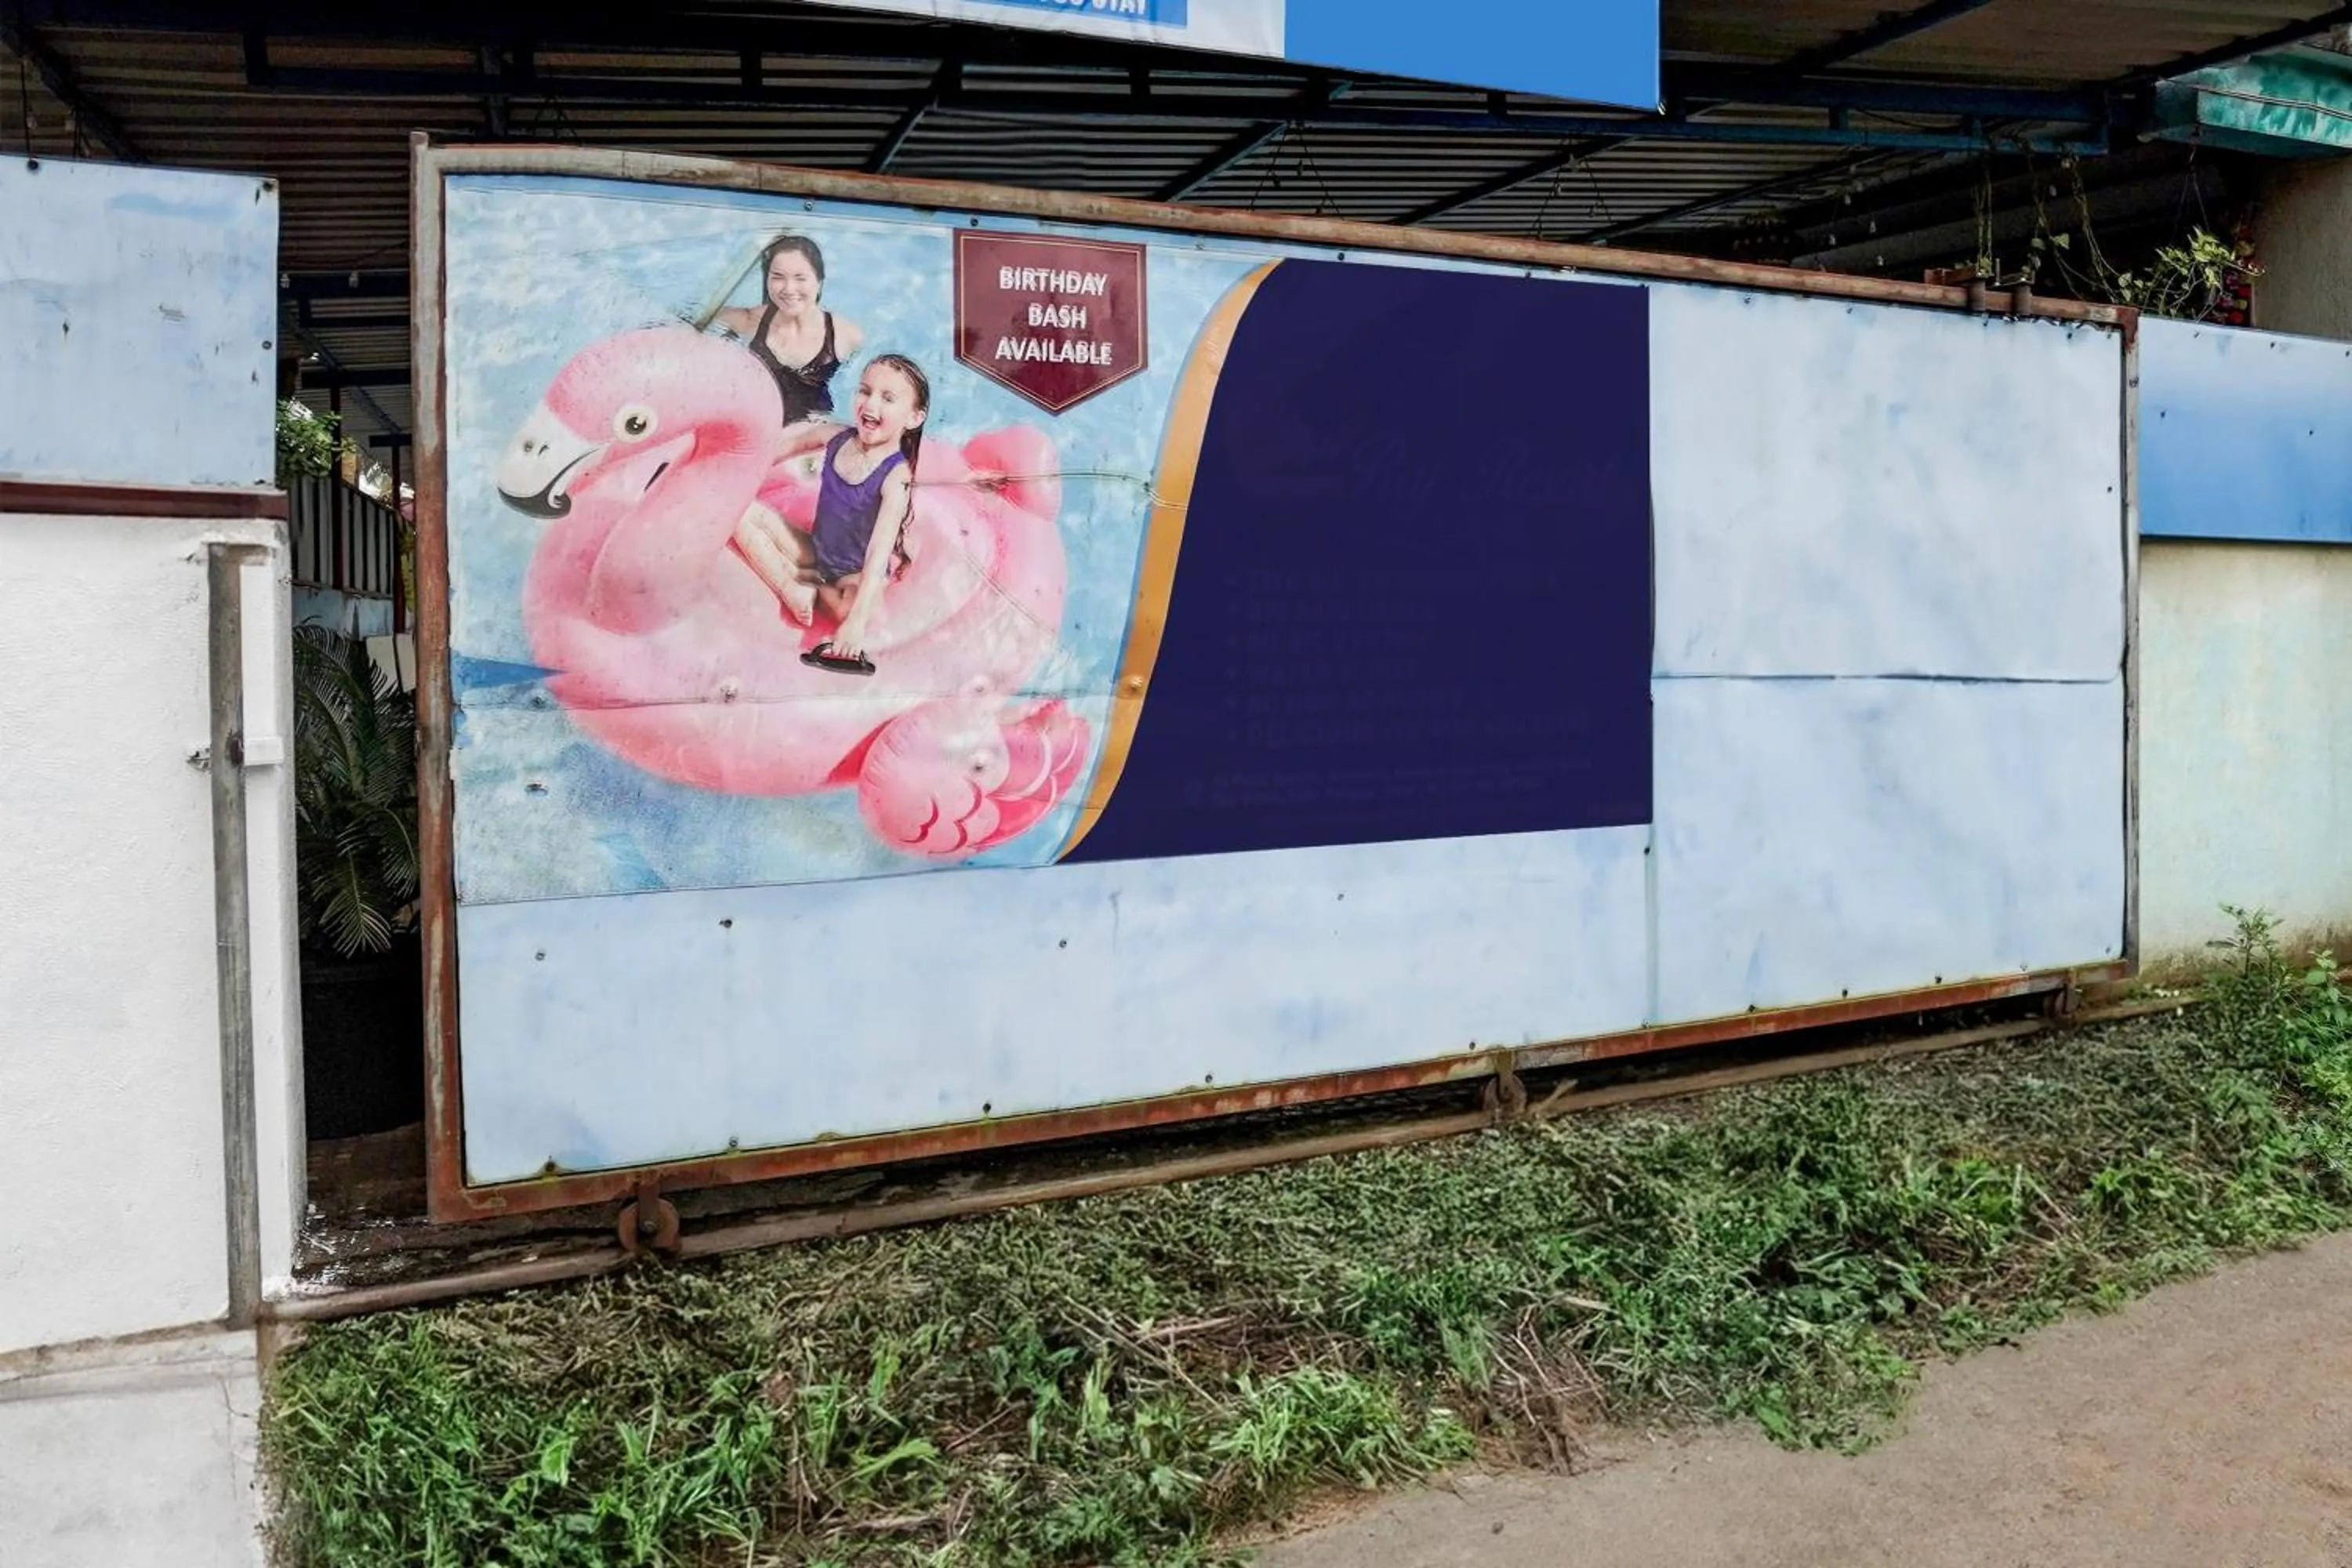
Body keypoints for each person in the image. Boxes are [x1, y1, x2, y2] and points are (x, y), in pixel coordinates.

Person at [734, 354, 930, 671]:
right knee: (738, 511)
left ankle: (807, 583)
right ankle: (792, 586)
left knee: (860, 612)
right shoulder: (836, 438)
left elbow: (878, 555)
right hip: (816, 549)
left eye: (888, 398)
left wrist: (854, 623)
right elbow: (783, 448)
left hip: (854, 573)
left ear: (914, 418)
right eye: (865, 391)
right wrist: (738, 465)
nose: (870, 404)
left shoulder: (896, 478)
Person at [710, 234, 865, 426]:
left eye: (800, 278)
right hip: (755, 426)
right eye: (778, 277)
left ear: (819, 281)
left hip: (809, 435)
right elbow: (698, 317)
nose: (789, 289)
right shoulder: (750, 321)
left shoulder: (846, 336)